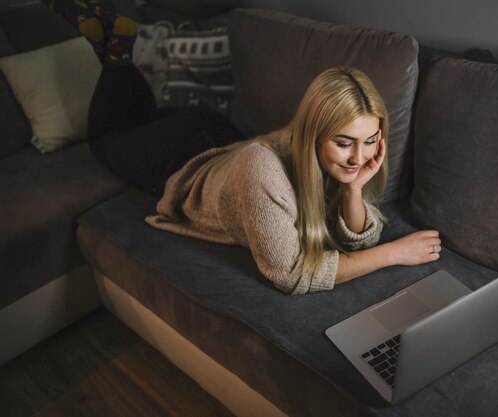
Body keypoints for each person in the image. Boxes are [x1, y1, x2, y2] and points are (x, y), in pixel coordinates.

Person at [43, 0, 442, 294]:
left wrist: (354, 189)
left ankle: (114, 46)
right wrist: (394, 253)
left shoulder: (337, 159)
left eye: (371, 140)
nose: (360, 157)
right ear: (313, 133)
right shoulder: (264, 172)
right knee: (107, 136)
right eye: (345, 143)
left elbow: (359, 235)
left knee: (140, 116)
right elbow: (293, 274)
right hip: (179, 159)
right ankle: (114, 56)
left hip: (218, 134)